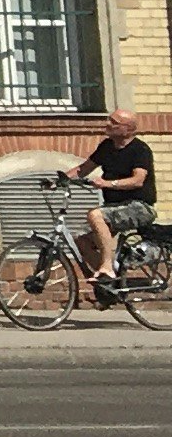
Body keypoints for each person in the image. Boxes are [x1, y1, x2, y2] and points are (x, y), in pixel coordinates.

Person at [77, 112, 157, 303]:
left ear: (127, 129)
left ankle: (107, 267)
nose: (108, 124)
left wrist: (108, 184)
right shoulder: (106, 147)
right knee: (83, 242)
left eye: (114, 122)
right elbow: (83, 169)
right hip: (114, 208)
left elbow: (138, 180)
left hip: (139, 207)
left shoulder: (140, 150)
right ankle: (110, 285)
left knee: (95, 215)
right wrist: (59, 179)